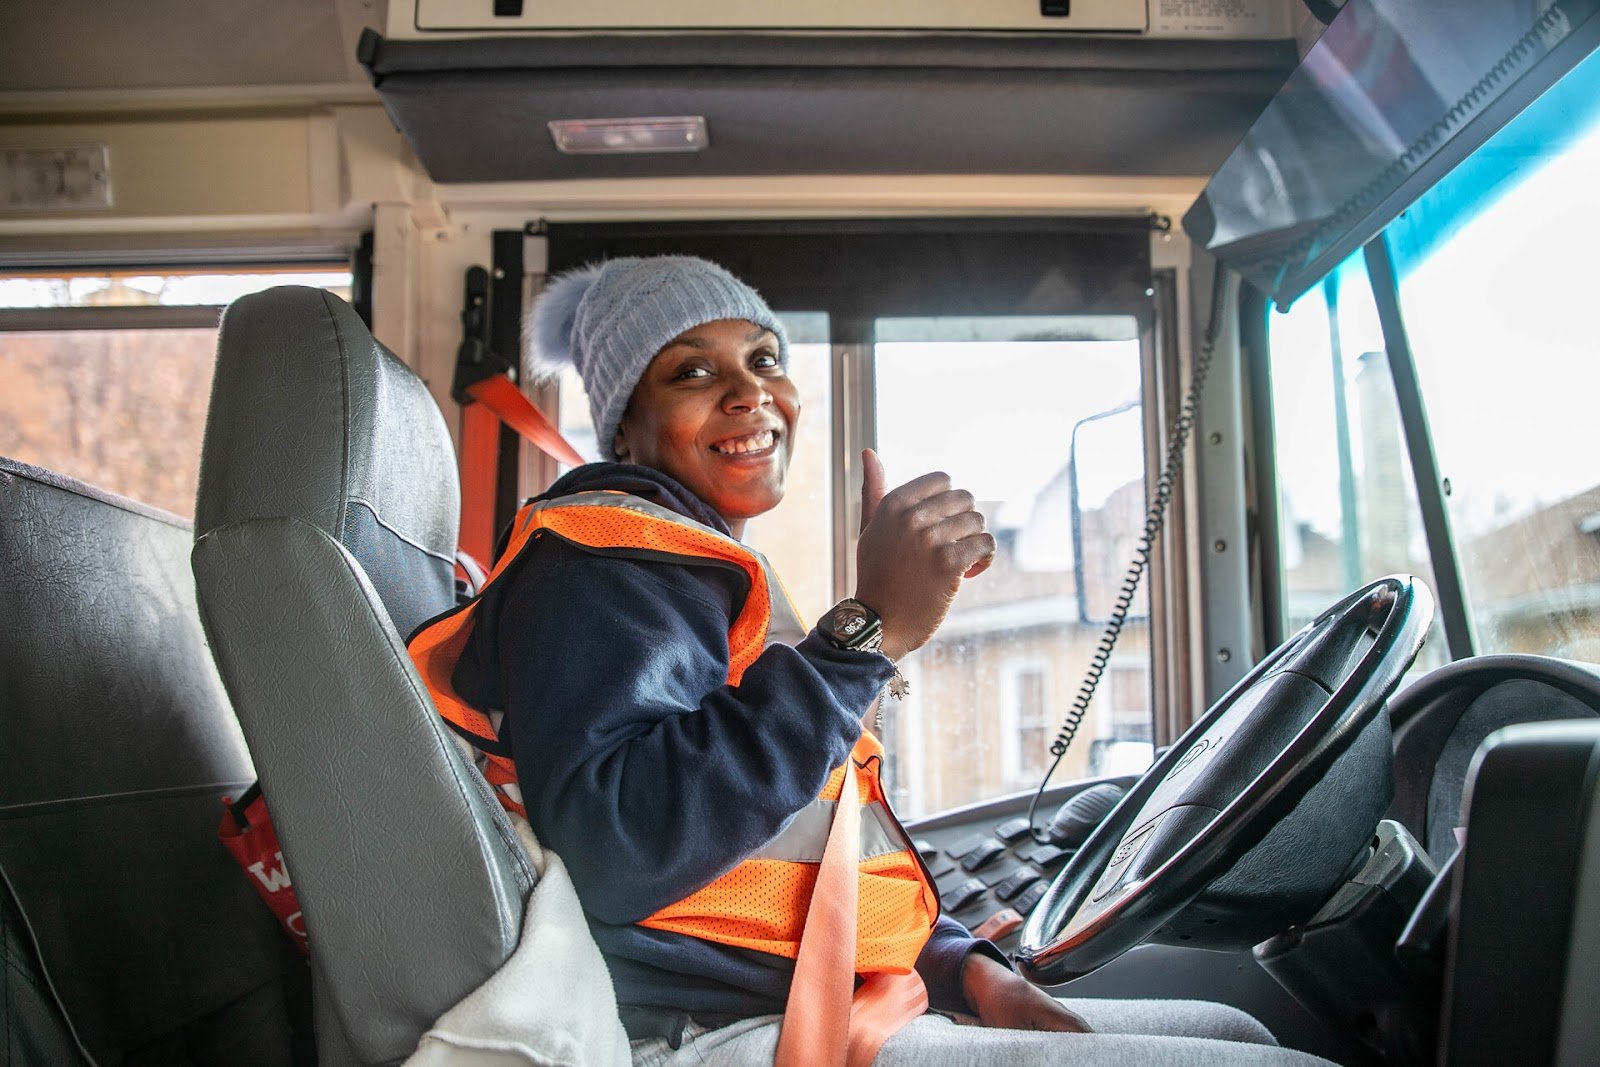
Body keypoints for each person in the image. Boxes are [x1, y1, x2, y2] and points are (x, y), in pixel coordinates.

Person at [418, 256, 1333, 1066]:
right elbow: (620, 842)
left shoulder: (698, 568)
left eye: (764, 358)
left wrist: (964, 964)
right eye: (691, 371)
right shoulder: (598, 563)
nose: (749, 393)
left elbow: (811, 837)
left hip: (820, 991)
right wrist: (868, 629)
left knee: (1240, 1035)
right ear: (626, 426)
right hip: (709, 1028)